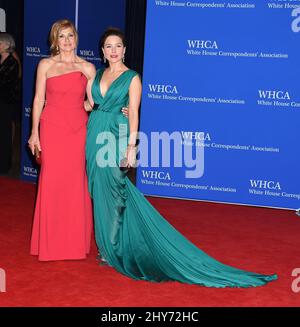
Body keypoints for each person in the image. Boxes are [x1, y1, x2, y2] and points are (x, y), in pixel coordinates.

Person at [85, 27, 277, 287]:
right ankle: (108, 243)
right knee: (99, 189)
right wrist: (86, 106)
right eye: (109, 46)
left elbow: (135, 114)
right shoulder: (96, 76)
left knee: (115, 188)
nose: (114, 50)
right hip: (94, 133)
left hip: (116, 137)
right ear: (102, 51)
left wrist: (131, 147)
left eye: (118, 45)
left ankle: (111, 247)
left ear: (125, 50)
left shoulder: (132, 78)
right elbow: (90, 104)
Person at [28, 19, 95, 261]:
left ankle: (74, 242)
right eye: (62, 36)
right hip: (52, 128)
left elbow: (92, 102)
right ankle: (50, 242)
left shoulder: (88, 68)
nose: (67, 41)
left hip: (77, 129)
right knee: (52, 181)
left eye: (70, 36)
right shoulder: (45, 64)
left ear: (76, 38)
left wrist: (120, 108)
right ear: (55, 40)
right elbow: (37, 99)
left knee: (75, 182)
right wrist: (34, 132)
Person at [0, 32, 19, 174]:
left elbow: (6, 84)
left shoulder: (12, 62)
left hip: (5, 103)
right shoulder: (1, 59)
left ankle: (4, 165)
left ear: (7, 45)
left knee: (5, 133)